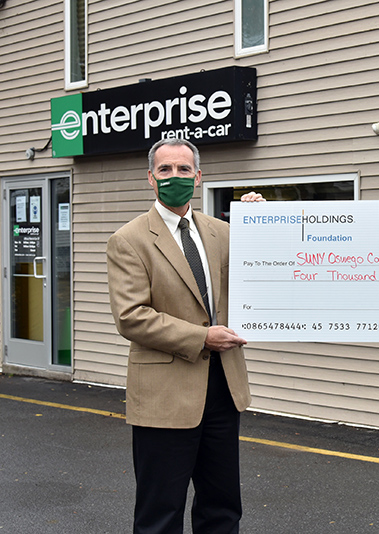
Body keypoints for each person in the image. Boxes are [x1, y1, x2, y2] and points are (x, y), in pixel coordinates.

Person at [107, 138, 263, 533]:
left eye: (182, 169)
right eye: (165, 170)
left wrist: (261, 224)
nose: (174, 176)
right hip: (164, 394)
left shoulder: (223, 232)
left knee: (222, 508)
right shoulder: (129, 240)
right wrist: (201, 337)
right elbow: (131, 317)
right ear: (150, 178)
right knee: (160, 513)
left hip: (223, 390)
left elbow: (260, 275)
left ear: (198, 177)